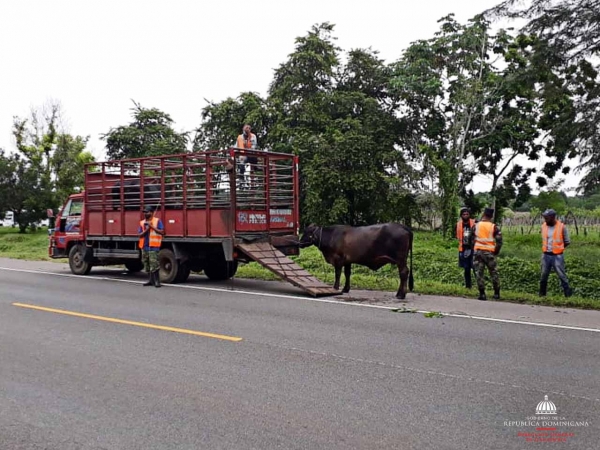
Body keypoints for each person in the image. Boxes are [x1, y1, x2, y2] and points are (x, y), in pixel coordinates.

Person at [539, 209, 573, 297]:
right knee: (543, 275)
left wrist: (559, 248)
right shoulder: (543, 226)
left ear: (553, 217)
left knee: (562, 275)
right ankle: (542, 295)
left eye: (547, 218)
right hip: (546, 254)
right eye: (544, 218)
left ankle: (568, 295)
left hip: (557, 255)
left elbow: (567, 241)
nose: (545, 219)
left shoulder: (562, 227)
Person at [473, 207, 503, 301]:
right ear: (491, 216)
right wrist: (496, 251)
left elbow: (470, 238)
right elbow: (499, 241)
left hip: (478, 253)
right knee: (493, 272)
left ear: (483, 214)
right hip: (489, 253)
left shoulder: (476, 225)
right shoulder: (493, 227)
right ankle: (496, 293)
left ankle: (482, 294)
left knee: (479, 273)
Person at [138, 206, 164, 288]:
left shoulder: (157, 221)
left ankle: (157, 281)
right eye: (144, 212)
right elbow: (140, 235)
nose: (145, 213)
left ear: (152, 213)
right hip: (144, 246)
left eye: (147, 212)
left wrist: (152, 227)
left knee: (154, 264)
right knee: (147, 264)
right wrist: (147, 229)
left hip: (153, 246)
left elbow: (162, 232)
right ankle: (150, 280)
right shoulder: (142, 223)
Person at [456, 207, 476, 288]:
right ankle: (468, 286)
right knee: (466, 268)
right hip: (463, 248)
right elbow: (457, 236)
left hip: (473, 248)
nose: (465, 216)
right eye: (464, 214)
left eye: (467, 214)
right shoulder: (458, 224)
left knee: (475, 268)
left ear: (469, 215)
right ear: (461, 215)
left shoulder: (475, 222)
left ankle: (480, 286)